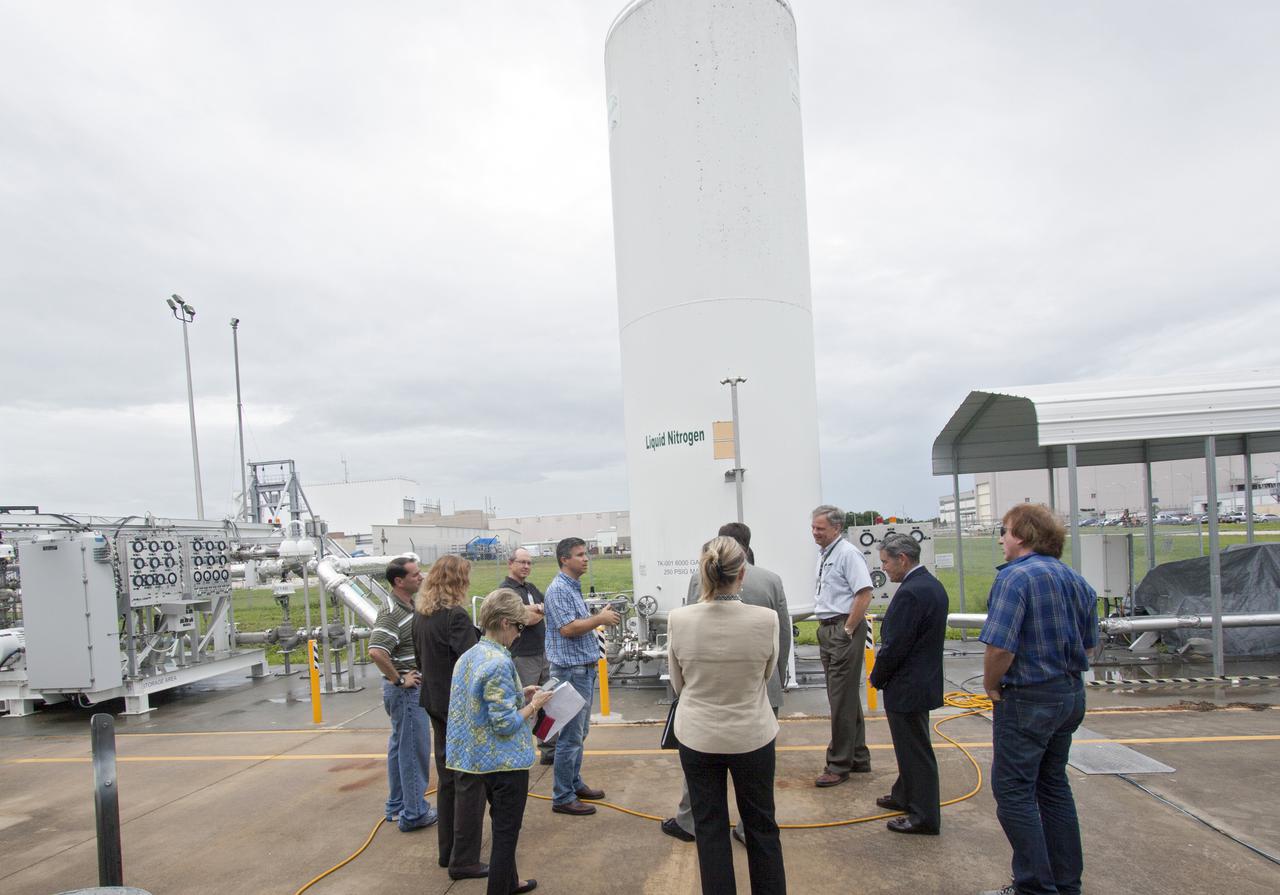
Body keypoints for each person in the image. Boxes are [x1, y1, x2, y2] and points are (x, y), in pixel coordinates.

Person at [978, 504, 1097, 895]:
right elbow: (1090, 647)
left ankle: (1034, 886)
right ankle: (1065, 883)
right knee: (1052, 786)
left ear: (1023, 536)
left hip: (1028, 699)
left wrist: (991, 685)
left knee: (1013, 792)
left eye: (1005, 531)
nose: (1001, 539)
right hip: (1069, 694)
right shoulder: (1076, 580)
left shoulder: (1014, 579)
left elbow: (1000, 648)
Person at [668, 536, 785, 895]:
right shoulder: (766, 620)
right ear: (742, 573)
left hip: (698, 736)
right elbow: (767, 675)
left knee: (709, 827)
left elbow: (677, 683)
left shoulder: (679, 619)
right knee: (762, 825)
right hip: (752, 733)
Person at [446, 588, 552, 895]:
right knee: (506, 835)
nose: (520, 633)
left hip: (478, 760)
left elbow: (482, 704)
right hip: (505, 762)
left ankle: (510, 882)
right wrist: (534, 705)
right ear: (505, 623)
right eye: (519, 627)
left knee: (503, 827)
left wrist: (521, 695)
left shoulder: (471, 656)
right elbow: (504, 724)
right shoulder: (500, 663)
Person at [868, 532, 948, 835]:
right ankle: (904, 794)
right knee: (910, 746)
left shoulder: (911, 593)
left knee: (915, 752)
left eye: (886, 562)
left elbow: (895, 645)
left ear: (902, 559)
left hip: (908, 686)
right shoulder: (930, 586)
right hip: (921, 683)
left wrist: (877, 677)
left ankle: (923, 816)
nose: (884, 569)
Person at [413, 554, 487, 880]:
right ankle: (465, 859)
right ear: (458, 581)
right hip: (459, 708)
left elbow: (420, 658)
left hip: (434, 702)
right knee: (469, 782)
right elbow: (473, 661)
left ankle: (448, 852)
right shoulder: (455, 616)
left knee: (447, 780)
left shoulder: (422, 616)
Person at [542, 536, 620, 816]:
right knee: (570, 736)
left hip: (581, 670)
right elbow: (567, 629)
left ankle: (573, 783)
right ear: (564, 559)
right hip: (571, 672)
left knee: (579, 732)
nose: (585, 558)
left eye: (585, 554)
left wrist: (597, 617)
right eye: (579, 554)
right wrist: (599, 619)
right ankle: (562, 796)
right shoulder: (559, 590)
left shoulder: (570, 588)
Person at [368, 558, 437, 832]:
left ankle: (398, 806)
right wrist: (399, 680)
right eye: (415, 574)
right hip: (407, 694)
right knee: (412, 751)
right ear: (399, 581)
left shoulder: (408, 605)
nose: (421, 577)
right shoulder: (390, 612)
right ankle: (415, 813)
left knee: (400, 748)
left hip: (406, 692)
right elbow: (376, 651)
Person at [810, 504, 874, 787]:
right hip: (829, 628)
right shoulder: (827, 554)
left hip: (841, 628)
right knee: (845, 697)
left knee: (840, 699)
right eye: (813, 527)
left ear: (836, 528)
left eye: (820, 529)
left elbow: (864, 593)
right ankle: (858, 755)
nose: (815, 533)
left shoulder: (848, 554)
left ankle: (838, 764)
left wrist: (848, 629)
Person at [500, 547, 555, 765]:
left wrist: (533, 610)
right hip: (523, 656)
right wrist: (532, 612)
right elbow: (525, 618)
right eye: (522, 562)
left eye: (529, 563)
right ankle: (518, 749)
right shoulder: (506, 591)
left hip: (543, 654)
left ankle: (549, 748)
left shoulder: (530, 587)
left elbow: (542, 611)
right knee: (525, 704)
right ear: (510, 563)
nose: (526, 566)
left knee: (548, 701)